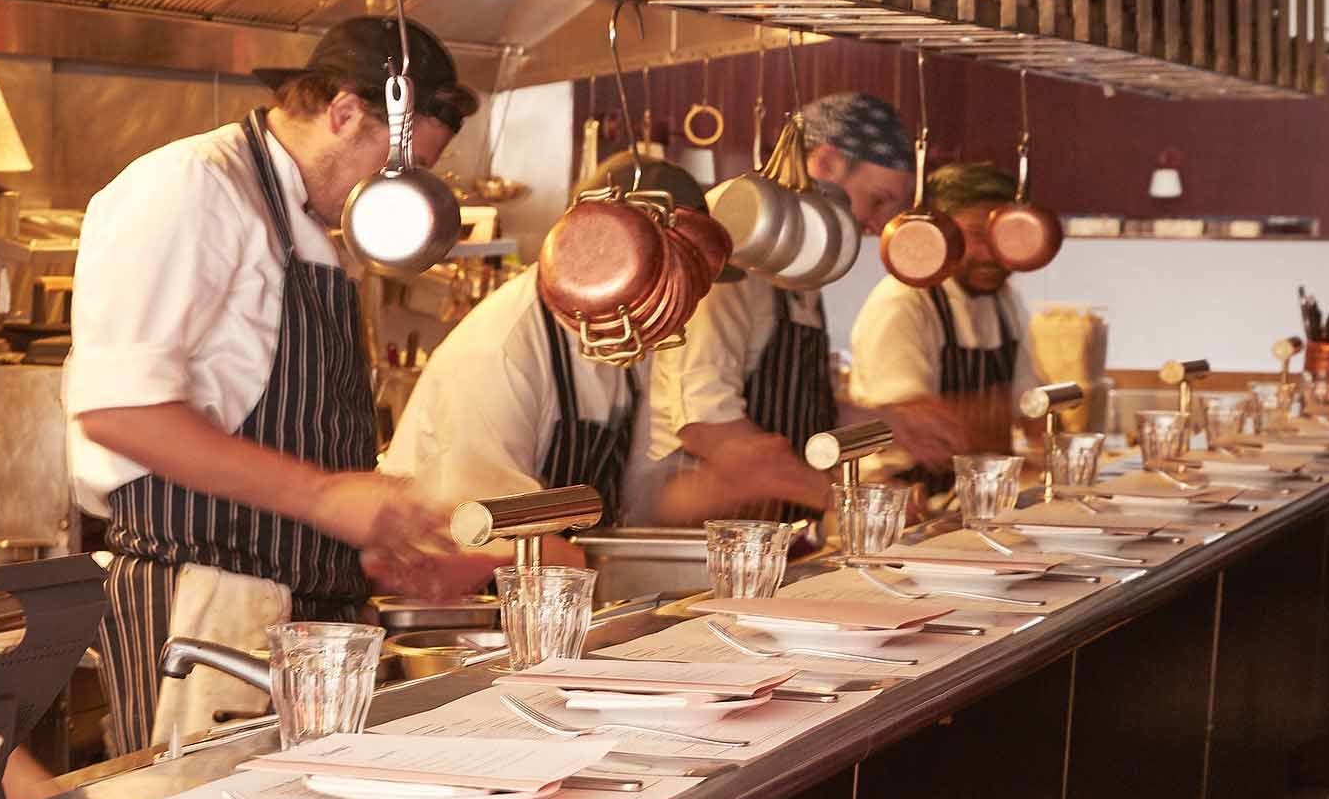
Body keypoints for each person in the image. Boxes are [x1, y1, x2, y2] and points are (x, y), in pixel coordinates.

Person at [67, 16, 485, 752]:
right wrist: (324, 497)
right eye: (404, 165)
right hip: (209, 602)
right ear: (345, 113)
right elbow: (119, 412)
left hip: (313, 615)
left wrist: (374, 542)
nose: (401, 191)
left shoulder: (309, 225)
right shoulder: (190, 187)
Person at [648, 91, 959, 514]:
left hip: (774, 524)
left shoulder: (803, 264)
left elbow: (797, 408)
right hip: (701, 529)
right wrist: (848, 503)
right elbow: (710, 429)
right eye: (878, 199)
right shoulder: (733, 254)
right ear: (825, 163)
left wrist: (894, 425)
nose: (880, 224)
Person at [382, 150, 685, 534]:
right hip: (454, 564)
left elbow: (641, 496)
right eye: (668, 279)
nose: (676, 300)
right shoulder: (500, 350)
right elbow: (484, 531)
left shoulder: (626, 336)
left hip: (553, 566)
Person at [848, 159, 1046, 463]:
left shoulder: (1004, 302)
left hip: (975, 482)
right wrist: (992, 416)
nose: (990, 254)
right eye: (977, 234)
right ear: (939, 232)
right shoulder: (903, 302)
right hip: (900, 485)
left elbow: (1030, 408)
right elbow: (916, 424)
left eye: (1004, 236)